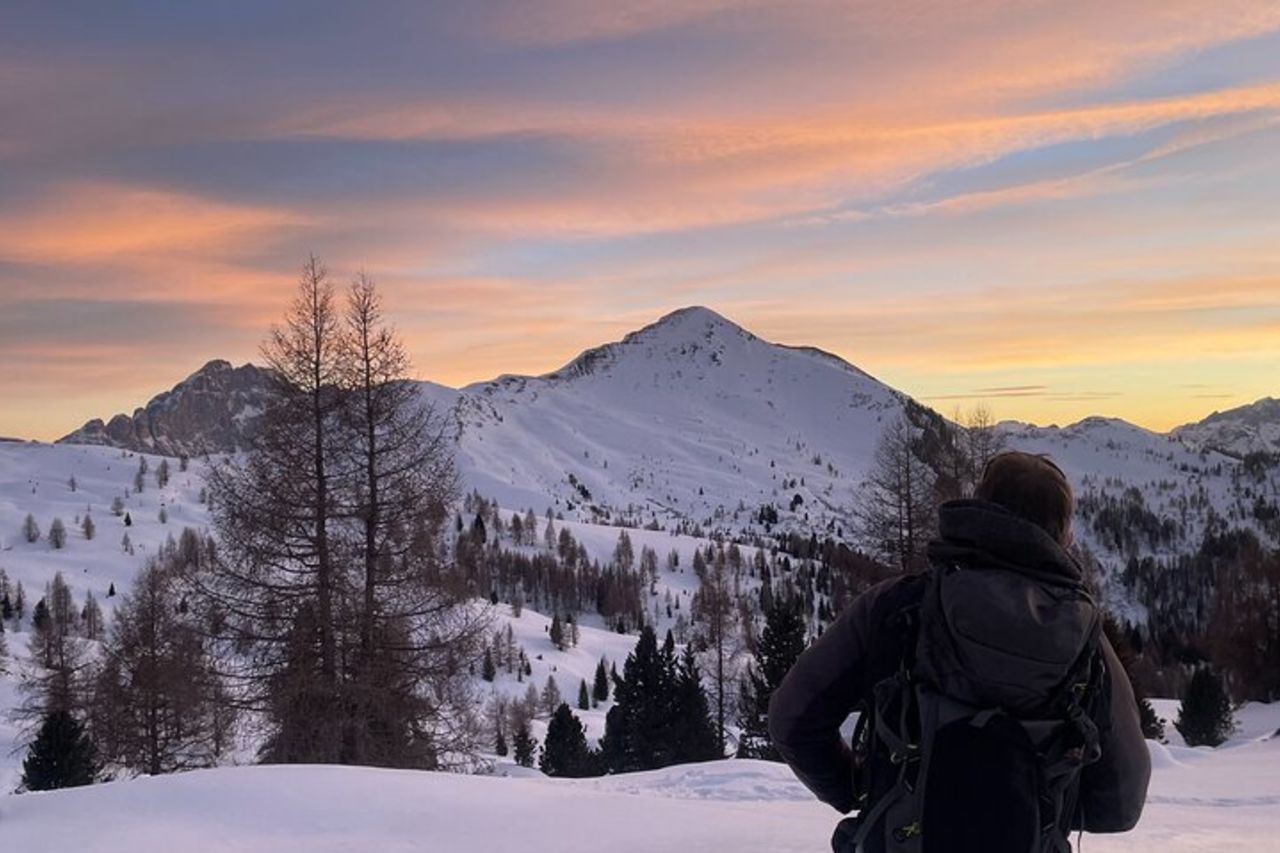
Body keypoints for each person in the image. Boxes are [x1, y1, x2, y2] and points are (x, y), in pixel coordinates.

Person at [770, 451, 1150, 852]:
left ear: (980, 506)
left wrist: (861, 789)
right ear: (1063, 533)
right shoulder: (1086, 643)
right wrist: (1033, 804)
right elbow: (1121, 806)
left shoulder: (899, 608)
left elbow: (792, 719)